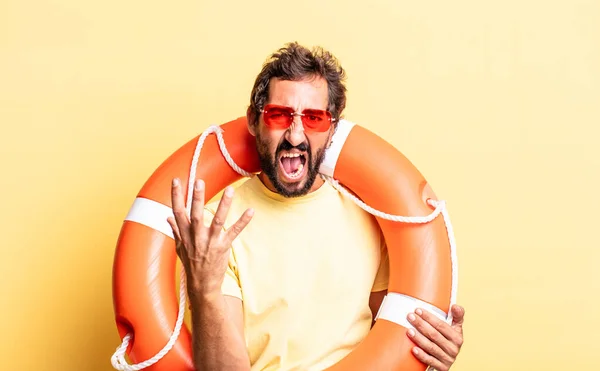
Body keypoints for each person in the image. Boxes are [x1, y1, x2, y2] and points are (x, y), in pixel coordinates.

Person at [167, 42, 465, 371]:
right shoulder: (216, 231)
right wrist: (205, 289)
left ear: (332, 129)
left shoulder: (372, 215)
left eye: (313, 118)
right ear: (254, 120)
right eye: (279, 115)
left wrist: (434, 355)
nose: (296, 135)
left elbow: (394, 341)